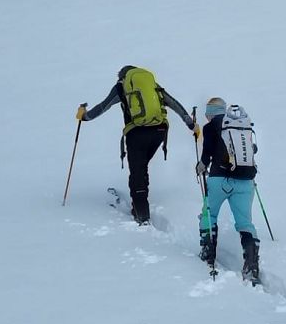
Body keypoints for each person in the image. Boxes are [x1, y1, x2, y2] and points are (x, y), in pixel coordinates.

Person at [77, 65, 195, 225]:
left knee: (137, 171)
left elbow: (104, 106)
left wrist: (85, 117)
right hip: (159, 131)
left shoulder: (121, 87)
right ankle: (139, 204)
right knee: (141, 167)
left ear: (122, 77)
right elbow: (173, 103)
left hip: (137, 133)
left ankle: (141, 214)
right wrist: (190, 123)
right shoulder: (152, 85)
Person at [197, 97, 261, 283]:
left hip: (219, 179)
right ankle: (251, 264)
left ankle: (208, 253)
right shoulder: (241, 126)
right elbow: (253, 149)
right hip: (246, 181)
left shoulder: (210, 127)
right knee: (245, 223)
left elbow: (207, 152)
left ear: (210, 113)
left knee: (209, 214)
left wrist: (201, 166)